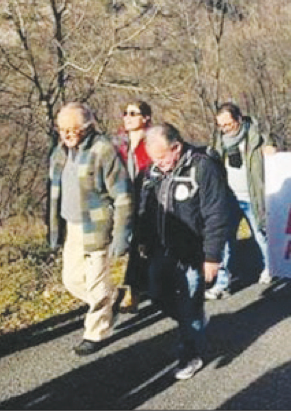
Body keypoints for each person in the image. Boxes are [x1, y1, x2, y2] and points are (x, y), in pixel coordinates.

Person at [139, 124, 233, 380]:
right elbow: (146, 208)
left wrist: (212, 257)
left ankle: (190, 354)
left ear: (176, 148)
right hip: (162, 249)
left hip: (193, 252)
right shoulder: (153, 171)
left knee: (190, 303)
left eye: (162, 157)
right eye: (154, 158)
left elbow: (216, 214)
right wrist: (144, 239)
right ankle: (193, 322)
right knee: (157, 295)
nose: (158, 163)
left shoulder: (202, 167)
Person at [48, 102, 132, 356]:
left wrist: (121, 234)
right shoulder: (59, 152)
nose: (67, 135)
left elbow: (123, 196)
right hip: (71, 227)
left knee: (96, 285)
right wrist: (53, 227)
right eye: (62, 130)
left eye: (72, 130)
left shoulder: (103, 150)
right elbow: (54, 192)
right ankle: (113, 298)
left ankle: (95, 333)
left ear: (86, 128)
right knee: (72, 280)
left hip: (97, 227)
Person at [207, 102, 275, 299]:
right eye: (221, 126)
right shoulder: (219, 142)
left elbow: (271, 154)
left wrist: (271, 150)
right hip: (228, 198)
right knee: (223, 241)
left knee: (261, 235)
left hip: (253, 196)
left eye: (228, 124)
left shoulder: (257, 138)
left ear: (238, 119)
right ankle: (222, 282)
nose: (225, 129)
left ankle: (271, 268)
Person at [113, 100, 153, 313]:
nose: (127, 117)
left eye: (133, 113)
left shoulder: (153, 140)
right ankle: (134, 294)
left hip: (149, 200)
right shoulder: (119, 143)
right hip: (126, 200)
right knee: (133, 248)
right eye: (125, 113)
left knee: (146, 247)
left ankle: (141, 292)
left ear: (145, 118)